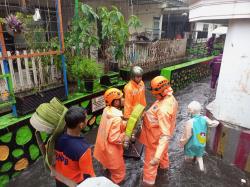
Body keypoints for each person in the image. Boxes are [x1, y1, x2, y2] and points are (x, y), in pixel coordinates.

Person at [139, 76, 178, 186]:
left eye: (155, 93)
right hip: (160, 139)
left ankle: (148, 182)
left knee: (150, 166)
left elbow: (165, 136)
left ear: (161, 92)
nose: (153, 95)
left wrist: (156, 157)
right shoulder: (169, 97)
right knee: (164, 154)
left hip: (155, 140)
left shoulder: (163, 110)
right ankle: (164, 170)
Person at [55, 106, 95, 187]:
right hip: (74, 183)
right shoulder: (83, 149)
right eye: (86, 118)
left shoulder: (57, 138)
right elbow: (89, 177)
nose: (87, 120)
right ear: (81, 125)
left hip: (59, 179)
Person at [94, 88, 127, 184]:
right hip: (112, 153)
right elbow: (114, 138)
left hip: (102, 149)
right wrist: (126, 134)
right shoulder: (117, 118)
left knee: (108, 171)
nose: (124, 99)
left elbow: (109, 126)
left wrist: (124, 123)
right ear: (116, 102)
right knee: (119, 175)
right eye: (121, 98)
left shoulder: (106, 110)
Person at [179, 101, 219, 171]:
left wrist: (181, 143)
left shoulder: (190, 122)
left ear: (191, 111)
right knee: (200, 157)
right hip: (201, 143)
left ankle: (188, 170)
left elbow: (187, 136)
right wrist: (217, 122)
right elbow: (212, 123)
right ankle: (202, 170)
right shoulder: (205, 118)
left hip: (191, 145)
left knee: (188, 160)